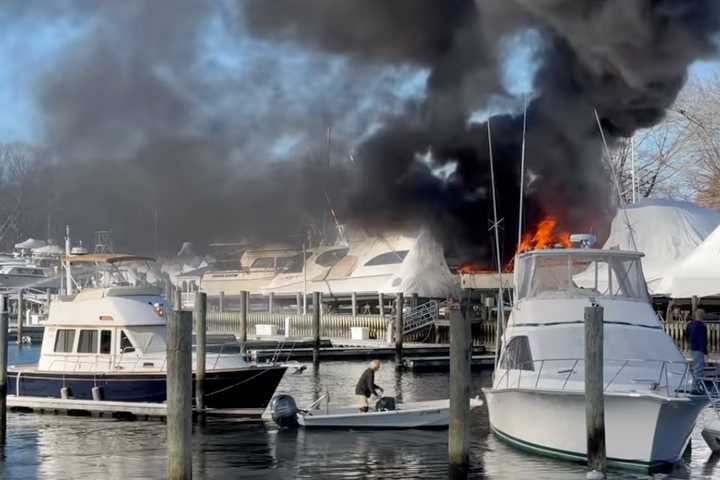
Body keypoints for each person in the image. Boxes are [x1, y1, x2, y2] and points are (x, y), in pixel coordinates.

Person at [688, 308, 708, 392]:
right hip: (699, 349)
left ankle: (695, 386)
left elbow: (688, 336)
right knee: (698, 369)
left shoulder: (691, 325)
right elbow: (702, 340)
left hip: (693, 348)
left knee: (695, 368)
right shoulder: (702, 327)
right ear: (702, 316)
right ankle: (694, 388)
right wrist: (705, 352)